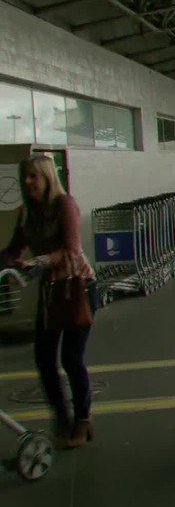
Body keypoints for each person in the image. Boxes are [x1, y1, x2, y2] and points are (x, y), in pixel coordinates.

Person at [1, 155, 98, 448]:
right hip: (49, 291)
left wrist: (36, 261)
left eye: (34, 176)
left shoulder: (63, 205)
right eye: (25, 177)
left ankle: (83, 419)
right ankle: (62, 418)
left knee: (71, 358)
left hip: (77, 287)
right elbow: (12, 249)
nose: (28, 182)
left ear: (46, 178)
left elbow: (70, 249)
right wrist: (10, 261)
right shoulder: (26, 213)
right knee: (44, 358)